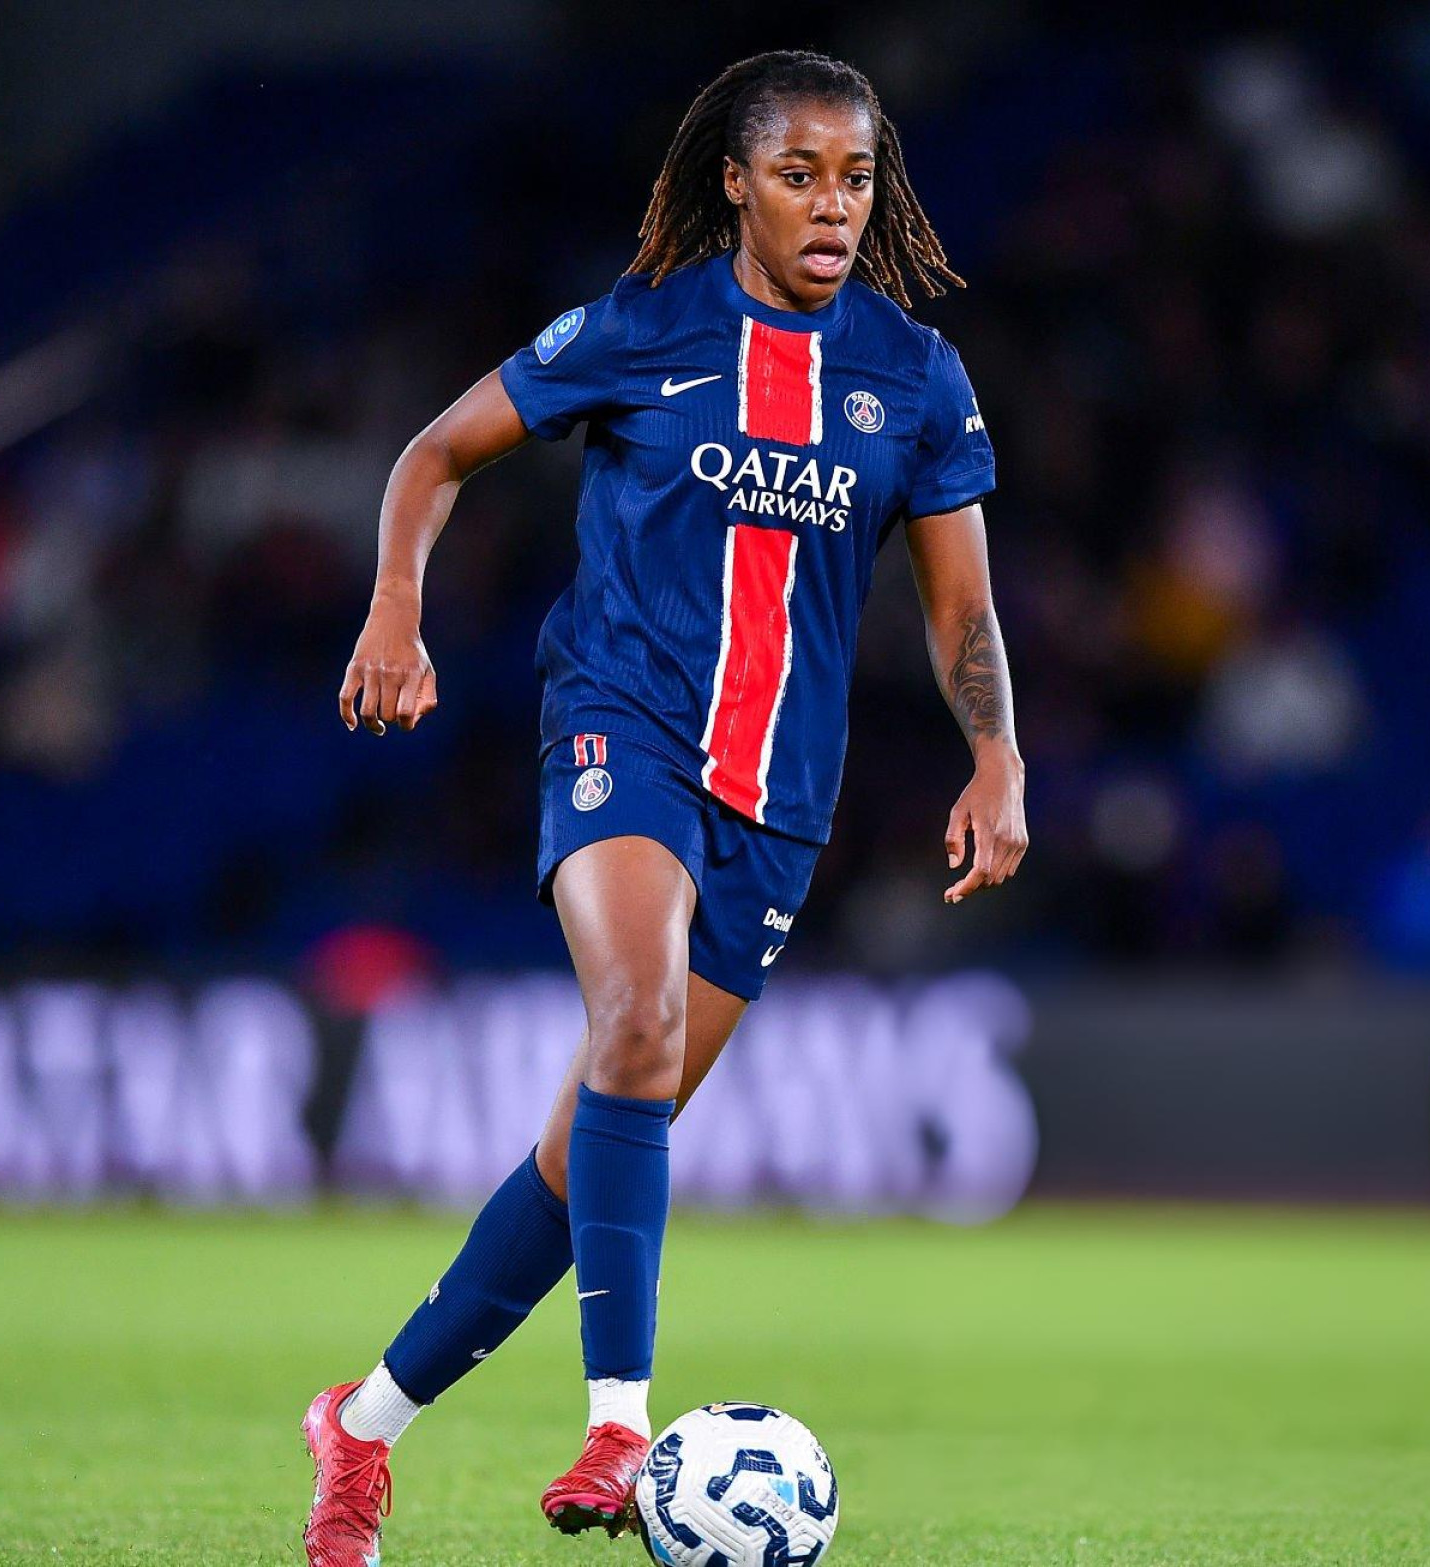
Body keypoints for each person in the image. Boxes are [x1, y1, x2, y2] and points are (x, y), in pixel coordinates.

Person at [302, 49, 1026, 1564]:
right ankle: (619, 1422)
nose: (832, 207)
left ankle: (360, 1426)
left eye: (855, 178)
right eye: (798, 176)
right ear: (735, 184)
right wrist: (394, 607)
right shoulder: (641, 328)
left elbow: (959, 605)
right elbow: (436, 454)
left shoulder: (915, 375)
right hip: (619, 728)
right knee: (632, 1020)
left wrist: (996, 755)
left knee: (591, 1148)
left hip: (781, 801)